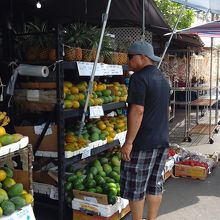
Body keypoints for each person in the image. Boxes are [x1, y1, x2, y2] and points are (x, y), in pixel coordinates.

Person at [120, 41, 170, 220]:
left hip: (142, 143)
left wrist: (129, 142)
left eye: (130, 57)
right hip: (162, 140)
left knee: (137, 188)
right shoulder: (163, 78)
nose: (128, 61)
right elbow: (167, 110)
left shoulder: (139, 78)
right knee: (155, 184)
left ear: (143, 57)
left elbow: (138, 110)